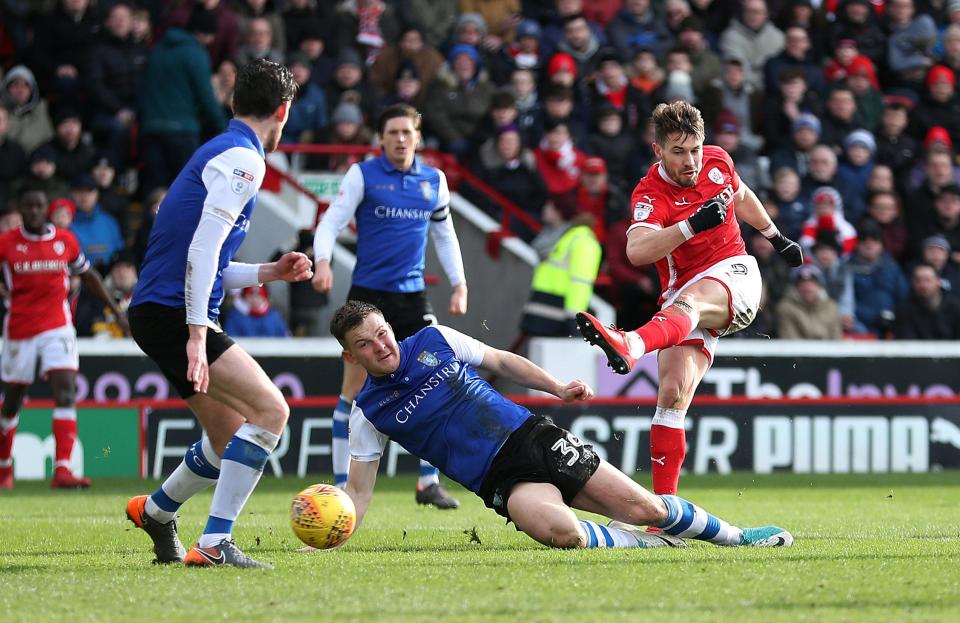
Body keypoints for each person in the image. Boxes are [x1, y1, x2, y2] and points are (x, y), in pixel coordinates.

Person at [333, 300, 793, 550]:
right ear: (351, 356)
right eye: (366, 345)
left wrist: (555, 387)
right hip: (500, 481)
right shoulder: (368, 412)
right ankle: (650, 547)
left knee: (648, 510)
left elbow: (501, 361)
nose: (381, 346)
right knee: (564, 534)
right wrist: (331, 538)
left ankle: (737, 537)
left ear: (390, 327)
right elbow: (359, 493)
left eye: (382, 333)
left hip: (534, 439)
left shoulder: (435, 339)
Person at [125, 60, 311, 569]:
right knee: (272, 411)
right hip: (173, 314)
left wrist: (269, 272)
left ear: (232, 103)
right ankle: (214, 543)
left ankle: (157, 511)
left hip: (156, 309)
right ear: (284, 110)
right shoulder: (245, 162)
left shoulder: (220, 152)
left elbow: (211, 263)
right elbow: (201, 254)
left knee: (228, 435)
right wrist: (195, 334)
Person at [575, 101, 803, 498]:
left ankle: (631, 343)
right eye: (678, 151)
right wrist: (690, 225)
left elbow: (742, 194)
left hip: (736, 274)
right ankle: (667, 515)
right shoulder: (650, 192)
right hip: (682, 296)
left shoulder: (719, 162)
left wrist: (775, 237)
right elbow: (637, 251)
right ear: (658, 150)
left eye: (695, 148)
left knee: (691, 303)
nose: (691, 160)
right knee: (672, 396)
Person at [312, 103, 468, 508]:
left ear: (418, 137)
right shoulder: (363, 174)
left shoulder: (434, 180)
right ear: (380, 138)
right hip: (366, 297)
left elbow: (445, 236)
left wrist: (459, 283)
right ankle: (343, 486)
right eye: (393, 132)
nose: (400, 139)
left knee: (437, 378)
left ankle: (428, 482)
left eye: (407, 132)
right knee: (352, 390)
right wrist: (323, 261)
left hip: (412, 296)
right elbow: (331, 221)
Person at [0, 186, 128, 490]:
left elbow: (89, 276)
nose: (33, 211)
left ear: (46, 209)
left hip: (58, 326)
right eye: (28, 205)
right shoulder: (6, 244)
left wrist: (116, 312)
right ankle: (4, 466)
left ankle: (62, 470)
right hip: (20, 329)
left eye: (38, 205)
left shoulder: (65, 241)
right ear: (21, 209)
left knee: (66, 389)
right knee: (14, 398)